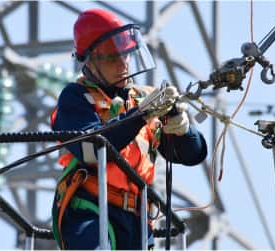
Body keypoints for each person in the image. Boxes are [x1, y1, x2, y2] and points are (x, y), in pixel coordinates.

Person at [51, 8, 207, 250]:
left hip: (138, 218)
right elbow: (90, 151)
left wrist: (182, 127)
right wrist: (140, 115)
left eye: (125, 55)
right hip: (92, 208)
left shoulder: (143, 99)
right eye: (113, 58)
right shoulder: (76, 97)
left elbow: (192, 154)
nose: (123, 64)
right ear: (91, 61)